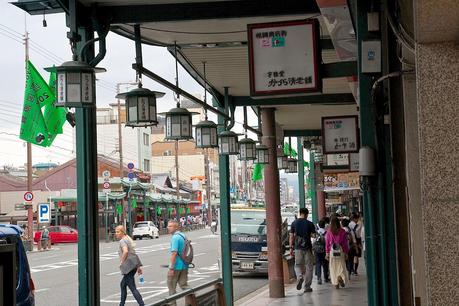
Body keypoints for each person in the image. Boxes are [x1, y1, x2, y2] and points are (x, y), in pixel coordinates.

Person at [115, 225, 145, 306]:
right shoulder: (128, 239)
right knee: (123, 285)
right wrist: (138, 267)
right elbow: (133, 254)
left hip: (128, 267)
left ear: (122, 232)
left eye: (118, 232)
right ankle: (121, 304)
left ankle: (142, 304)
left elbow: (126, 251)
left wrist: (122, 261)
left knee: (132, 287)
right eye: (116, 232)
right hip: (133, 266)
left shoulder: (122, 241)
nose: (116, 234)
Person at [289, 208, 316, 292]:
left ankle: (300, 276)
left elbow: (291, 236)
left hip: (298, 248)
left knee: (297, 265)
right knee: (309, 267)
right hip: (307, 248)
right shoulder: (310, 223)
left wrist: (291, 248)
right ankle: (307, 287)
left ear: (299, 213)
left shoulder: (294, 223)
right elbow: (314, 236)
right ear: (307, 214)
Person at [167, 220, 189, 305]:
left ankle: (173, 304)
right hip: (184, 264)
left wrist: (171, 268)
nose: (168, 228)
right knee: (184, 285)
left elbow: (174, 253)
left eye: (170, 226)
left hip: (176, 266)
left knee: (171, 286)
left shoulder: (175, 237)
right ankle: (192, 300)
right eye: (168, 226)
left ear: (176, 227)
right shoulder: (183, 235)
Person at [325, 215, 349, 289]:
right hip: (340, 250)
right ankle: (340, 277)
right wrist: (346, 252)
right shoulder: (342, 231)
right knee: (341, 266)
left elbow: (327, 243)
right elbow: (345, 243)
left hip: (332, 251)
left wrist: (327, 253)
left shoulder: (329, 232)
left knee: (333, 268)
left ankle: (336, 284)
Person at [313, 218, 330, 284]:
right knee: (325, 264)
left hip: (317, 250)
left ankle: (319, 278)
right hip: (324, 249)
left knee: (318, 263)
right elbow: (327, 242)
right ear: (324, 225)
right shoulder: (326, 233)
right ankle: (326, 278)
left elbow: (313, 241)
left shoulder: (316, 232)